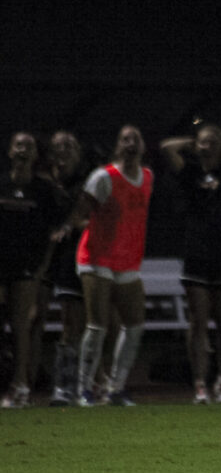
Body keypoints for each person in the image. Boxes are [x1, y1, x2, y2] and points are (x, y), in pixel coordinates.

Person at [54, 125, 152, 407]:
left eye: (136, 138)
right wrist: (65, 228)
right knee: (97, 325)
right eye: (125, 139)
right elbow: (80, 212)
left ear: (143, 146)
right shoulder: (103, 177)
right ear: (118, 146)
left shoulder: (147, 176)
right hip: (96, 257)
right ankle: (84, 389)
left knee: (133, 324)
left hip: (127, 259)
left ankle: (115, 388)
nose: (131, 143)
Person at [161, 124, 221, 403]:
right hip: (196, 253)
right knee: (198, 321)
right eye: (205, 142)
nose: (209, 145)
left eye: (214, 141)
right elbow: (167, 147)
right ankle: (200, 384)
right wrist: (193, 142)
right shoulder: (190, 173)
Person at [0, 132, 65, 408]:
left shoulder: (43, 190)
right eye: (19, 145)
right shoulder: (2, 184)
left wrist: (43, 266)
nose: (23, 150)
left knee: (20, 326)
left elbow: (56, 230)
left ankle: (21, 385)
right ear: (10, 151)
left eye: (29, 146)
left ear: (36, 155)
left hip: (26, 266)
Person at [43, 131, 92, 406]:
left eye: (69, 146)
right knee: (63, 325)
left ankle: (84, 386)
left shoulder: (87, 184)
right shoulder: (46, 185)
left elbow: (95, 218)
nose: (63, 151)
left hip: (83, 260)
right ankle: (62, 386)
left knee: (86, 325)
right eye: (58, 147)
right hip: (53, 260)